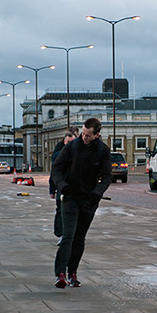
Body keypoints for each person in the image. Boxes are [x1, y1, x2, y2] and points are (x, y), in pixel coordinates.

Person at [51, 118, 111, 288]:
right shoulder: (71, 146)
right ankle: (60, 274)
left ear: (97, 135)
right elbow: (57, 168)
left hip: (89, 200)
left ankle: (73, 273)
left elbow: (107, 176)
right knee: (68, 236)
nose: (83, 138)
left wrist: (97, 193)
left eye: (87, 135)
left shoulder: (103, 150)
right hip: (70, 197)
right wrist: (62, 186)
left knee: (79, 238)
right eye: (83, 134)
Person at [49, 128, 79, 245]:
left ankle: (72, 235)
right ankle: (61, 234)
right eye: (67, 142)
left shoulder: (79, 154)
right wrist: (52, 189)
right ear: (64, 142)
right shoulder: (58, 155)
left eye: (72, 143)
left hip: (76, 188)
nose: (69, 145)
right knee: (61, 211)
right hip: (62, 188)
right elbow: (54, 173)